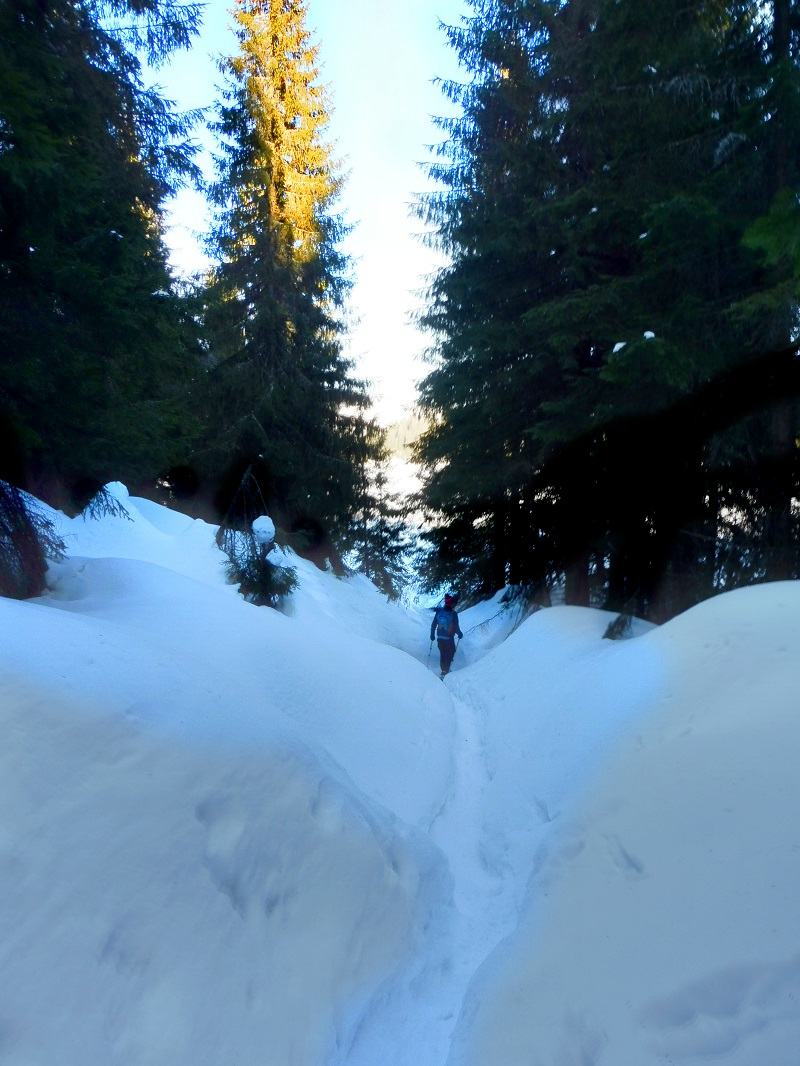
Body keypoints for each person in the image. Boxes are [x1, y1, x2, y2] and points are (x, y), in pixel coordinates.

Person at [430, 593, 463, 678]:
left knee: (443, 654)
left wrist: (432, 634)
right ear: (451, 603)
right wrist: (459, 634)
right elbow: (455, 627)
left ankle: (443, 671)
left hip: (440, 638)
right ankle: (446, 672)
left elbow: (434, 624)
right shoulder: (453, 614)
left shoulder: (439, 612)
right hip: (449, 638)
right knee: (450, 653)